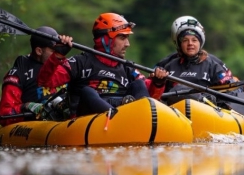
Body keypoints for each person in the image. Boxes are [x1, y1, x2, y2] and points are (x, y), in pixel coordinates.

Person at [38, 13, 168, 117]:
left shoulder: (127, 68)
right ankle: (117, 117)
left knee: (139, 84)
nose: (127, 44)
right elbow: (45, 82)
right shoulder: (80, 62)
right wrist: (57, 56)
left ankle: (141, 118)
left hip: (124, 117)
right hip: (88, 119)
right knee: (87, 91)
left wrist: (157, 83)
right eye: (122, 38)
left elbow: (150, 95)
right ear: (107, 40)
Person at [0, 27, 73, 126]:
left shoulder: (63, 65)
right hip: (35, 125)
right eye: (54, 50)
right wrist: (26, 106)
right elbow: (4, 114)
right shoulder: (18, 72)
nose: (57, 54)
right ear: (39, 51)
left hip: (64, 121)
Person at [152, 16, 235, 105]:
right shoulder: (170, 66)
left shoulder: (212, 65)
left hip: (205, 111)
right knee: (178, 89)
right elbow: (156, 97)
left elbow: (230, 90)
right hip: (175, 113)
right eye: (185, 40)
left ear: (200, 43)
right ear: (180, 44)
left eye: (194, 40)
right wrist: (158, 83)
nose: (190, 43)